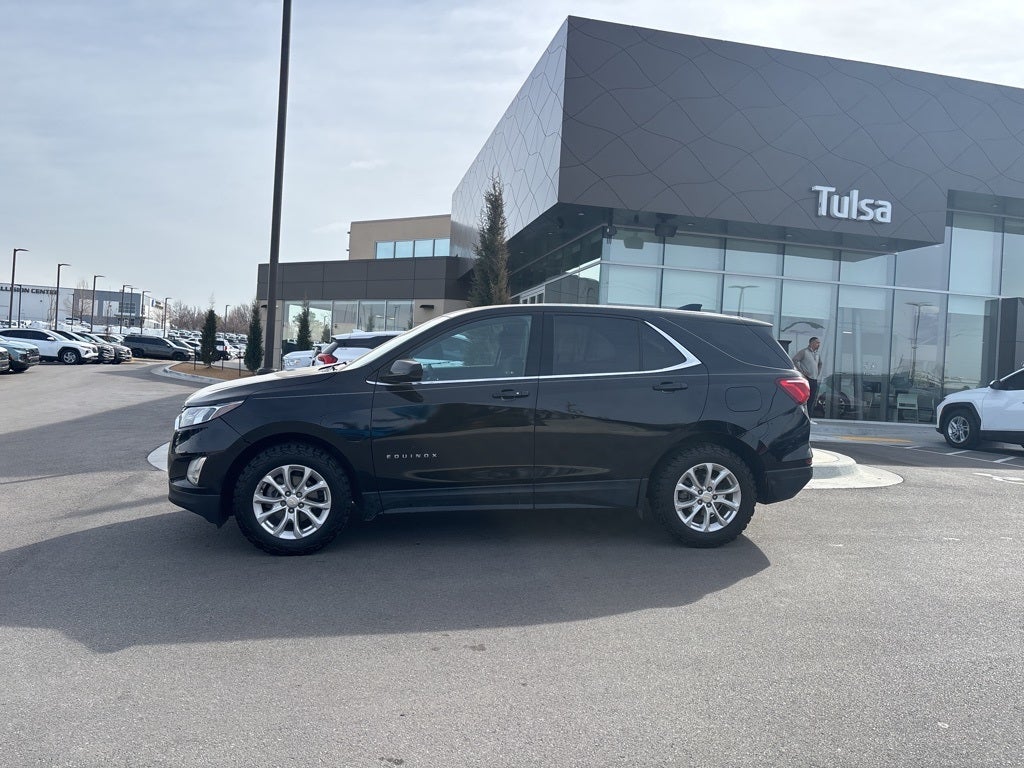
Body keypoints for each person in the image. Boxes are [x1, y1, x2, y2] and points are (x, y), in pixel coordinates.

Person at [792, 337, 823, 415]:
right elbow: (795, 360)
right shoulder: (804, 352)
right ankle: (802, 416)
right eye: (817, 342)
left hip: (814, 379)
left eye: (819, 343)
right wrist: (801, 372)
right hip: (806, 379)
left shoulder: (817, 354)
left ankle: (809, 416)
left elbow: (820, 363)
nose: (819, 344)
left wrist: (817, 373)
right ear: (811, 343)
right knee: (804, 399)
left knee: (812, 399)